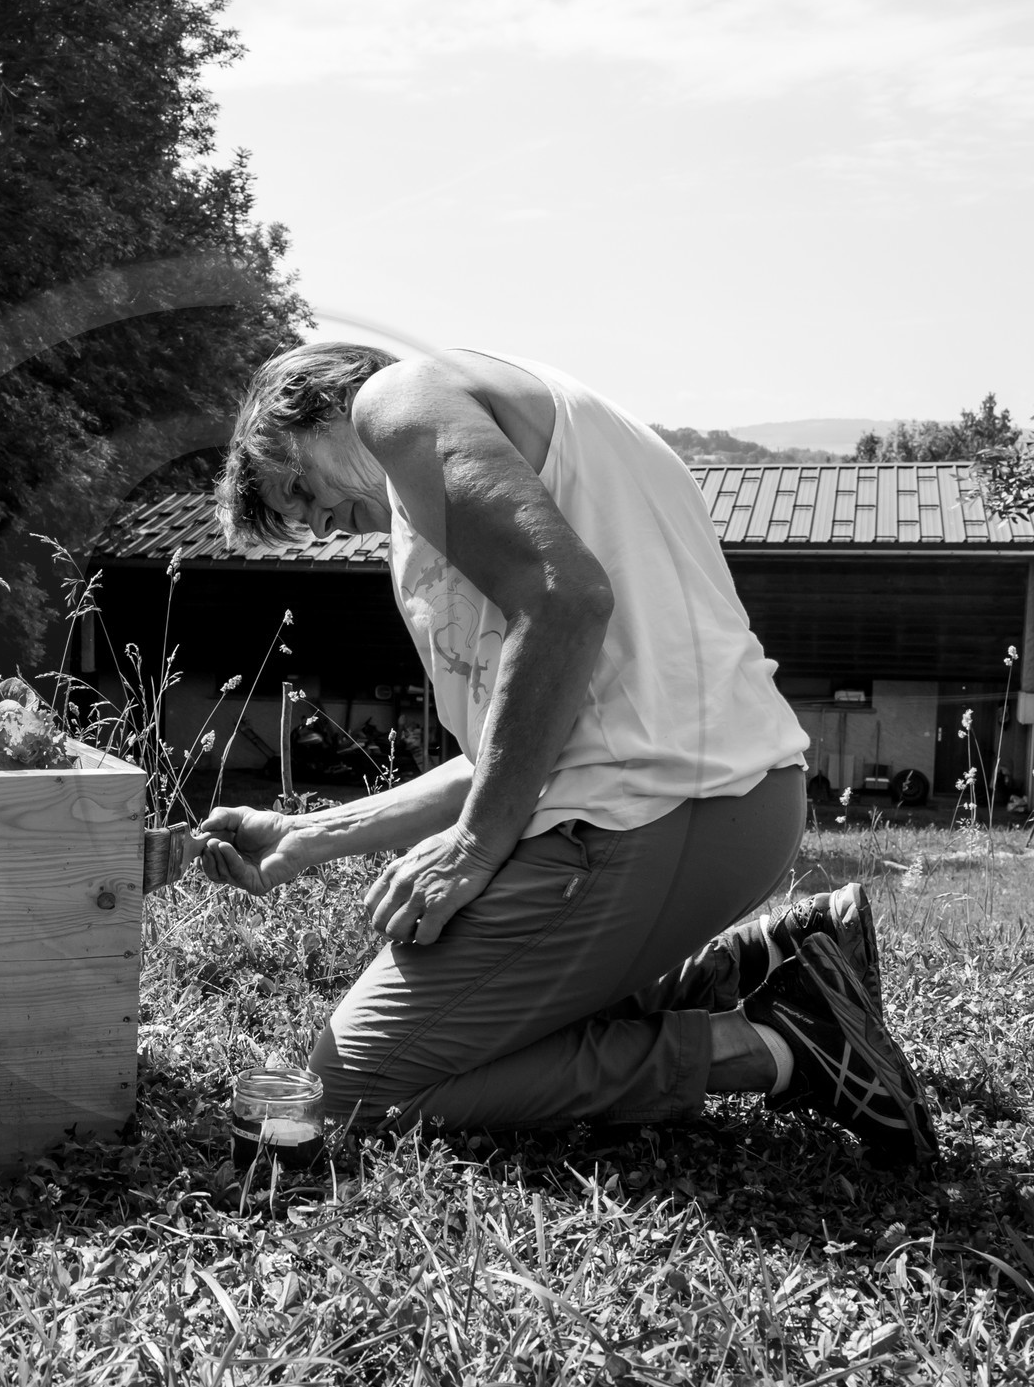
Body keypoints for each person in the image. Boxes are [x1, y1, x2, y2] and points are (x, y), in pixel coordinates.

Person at [201, 342, 937, 1166]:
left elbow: (565, 598)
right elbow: (508, 750)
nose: (320, 524)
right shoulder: (523, 444)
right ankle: (758, 963)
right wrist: (309, 835)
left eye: (302, 489)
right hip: (727, 807)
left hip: (650, 816)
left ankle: (782, 1042)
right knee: (467, 1035)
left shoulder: (398, 398)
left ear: (323, 410)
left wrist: (474, 849)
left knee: (352, 1090)